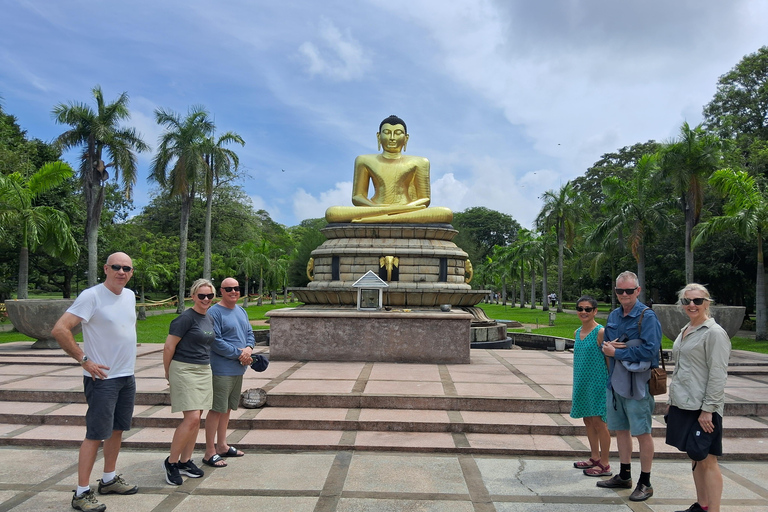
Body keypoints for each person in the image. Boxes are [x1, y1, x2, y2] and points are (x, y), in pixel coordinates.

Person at [52, 252, 139, 512]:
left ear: (131, 272)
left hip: (126, 375)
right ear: (106, 268)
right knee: (94, 435)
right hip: (102, 379)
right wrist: (84, 359)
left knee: (117, 430)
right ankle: (81, 493)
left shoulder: (130, 295)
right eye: (116, 267)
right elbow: (60, 329)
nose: (121, 272)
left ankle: (109, 479)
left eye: (127, 268)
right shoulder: (91, 296)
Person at [665, 284, 730, 512]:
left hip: (704, 408)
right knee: (695, 456)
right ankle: (701, 505)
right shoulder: (687, 329)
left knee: (708, 459)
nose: (691, 305)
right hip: (685, 404)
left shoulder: (714, 333)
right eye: (687, 301)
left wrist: (708, 409)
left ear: (707, 302)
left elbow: (718, 374)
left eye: (697, 300)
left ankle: (713, 509)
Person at [598, 270, 661, 502]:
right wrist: (609, 347)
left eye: (629, 290)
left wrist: (618, 351)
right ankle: (624, 474)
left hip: (638, 384)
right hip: (615, 381)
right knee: (621, 430)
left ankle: (646, 482)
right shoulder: (614, 315)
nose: (624, 294)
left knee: (642, 432)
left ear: (638, 291)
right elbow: (608, 345)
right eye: (619, 290)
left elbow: (651, 350)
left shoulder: (647, 316)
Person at [324, 115, 453, 224]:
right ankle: (388, 216)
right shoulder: (363, 160)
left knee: (445, 213)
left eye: (398, 133)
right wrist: (377, 208)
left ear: (406, 138)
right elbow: (357, 196)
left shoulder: (420, 162)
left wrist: (402, 208)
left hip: (407, 209)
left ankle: (377, 219)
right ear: (378, 136)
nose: (392, 137)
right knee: (332, 213)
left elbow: (425, 198)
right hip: (374, 208)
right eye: (386, 132)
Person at [162, 279, 217, 486]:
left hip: (203, 370)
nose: (205, 299)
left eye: (209, 296)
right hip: (184, 369)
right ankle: (171, 462)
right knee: (192, 418)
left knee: (198, 417)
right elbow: (168, 347)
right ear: (193, 296)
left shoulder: (209, 318)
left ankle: (185, 461)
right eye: (201, 295)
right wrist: (168, 374)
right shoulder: (184, 318)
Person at [202, 278, 255, 467]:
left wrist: (248, 349)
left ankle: (222, 445)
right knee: (216, 409)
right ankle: (209, 452)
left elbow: (249, 333)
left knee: (227, 408)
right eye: (229, 289)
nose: (233, 291)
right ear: (221, 291)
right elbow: (215, 341)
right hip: (221, 369)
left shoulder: (241, 310)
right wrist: (239, 354)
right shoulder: (214, 313)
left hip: (238, 368)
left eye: (236, 288)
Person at [570, 296, 612, 477]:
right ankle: (594, 456)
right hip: (581, 382)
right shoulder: (577, 332)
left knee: (599, 422)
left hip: (598, 383)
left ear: (595, 311)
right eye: (580, 309)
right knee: (587, 420)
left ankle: (605, 463)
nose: (583, 312)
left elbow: (609, 360)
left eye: (588, 309)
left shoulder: (600, 332)